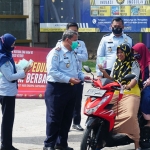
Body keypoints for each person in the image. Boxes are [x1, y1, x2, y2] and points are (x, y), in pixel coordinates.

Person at [43, 30, 90, 150]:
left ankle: (62, 143)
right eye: (75, 40)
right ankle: (49, 144)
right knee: (54, 118)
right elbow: (52, 72)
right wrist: (69, 79)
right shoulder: (56, 53)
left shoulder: (73, 53)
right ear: (67, 40)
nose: (76, 43)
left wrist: (82, 76)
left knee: (67, 117)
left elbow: (76, 70)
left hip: (71, 89)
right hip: (57, 88)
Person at [98, 43, 142, 150]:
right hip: (117, 91)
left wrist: (128, 86)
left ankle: (137, 143)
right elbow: (112, 78)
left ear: (126, 53)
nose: (119, 54)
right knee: (103, 110)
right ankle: (102, 138)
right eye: (118, 52)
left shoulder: (133, 63)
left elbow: (135, 78)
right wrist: (103, 71)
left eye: (121, 52)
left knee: (130, 115)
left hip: (131, 91)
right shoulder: (116, 63)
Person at [0, 33, 31, 150]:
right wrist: (23, 73)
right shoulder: (2, 57)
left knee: (8, 119)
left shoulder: (7, 54)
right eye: (12, 44)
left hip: (9, 91)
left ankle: (6, 144)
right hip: (5, 92)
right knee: (7, 120)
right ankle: (6, 145)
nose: (14, 46)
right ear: (6, 44)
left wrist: (23, 67)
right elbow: (9, 76)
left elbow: (13, 68)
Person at [56, 22, 88, 131]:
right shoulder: (60, 44)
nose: (75, 33)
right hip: (66, 78)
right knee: (65, 103)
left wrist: (73, 53)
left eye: (76, 31)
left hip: (78, 75)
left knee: (77, 101)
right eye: (72, 31)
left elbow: (85, 57)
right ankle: (65, 124)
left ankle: (76, 122)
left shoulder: (81, 43)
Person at [132, 43, 150, 126]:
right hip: (136, 83)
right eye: (134, 52)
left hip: (147, 84)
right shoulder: (134, 62)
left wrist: (147, 82)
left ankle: (148, 121)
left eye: (137, 52)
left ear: (142, 51)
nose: (135, 54)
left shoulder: (148, 62)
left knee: (146, 97)